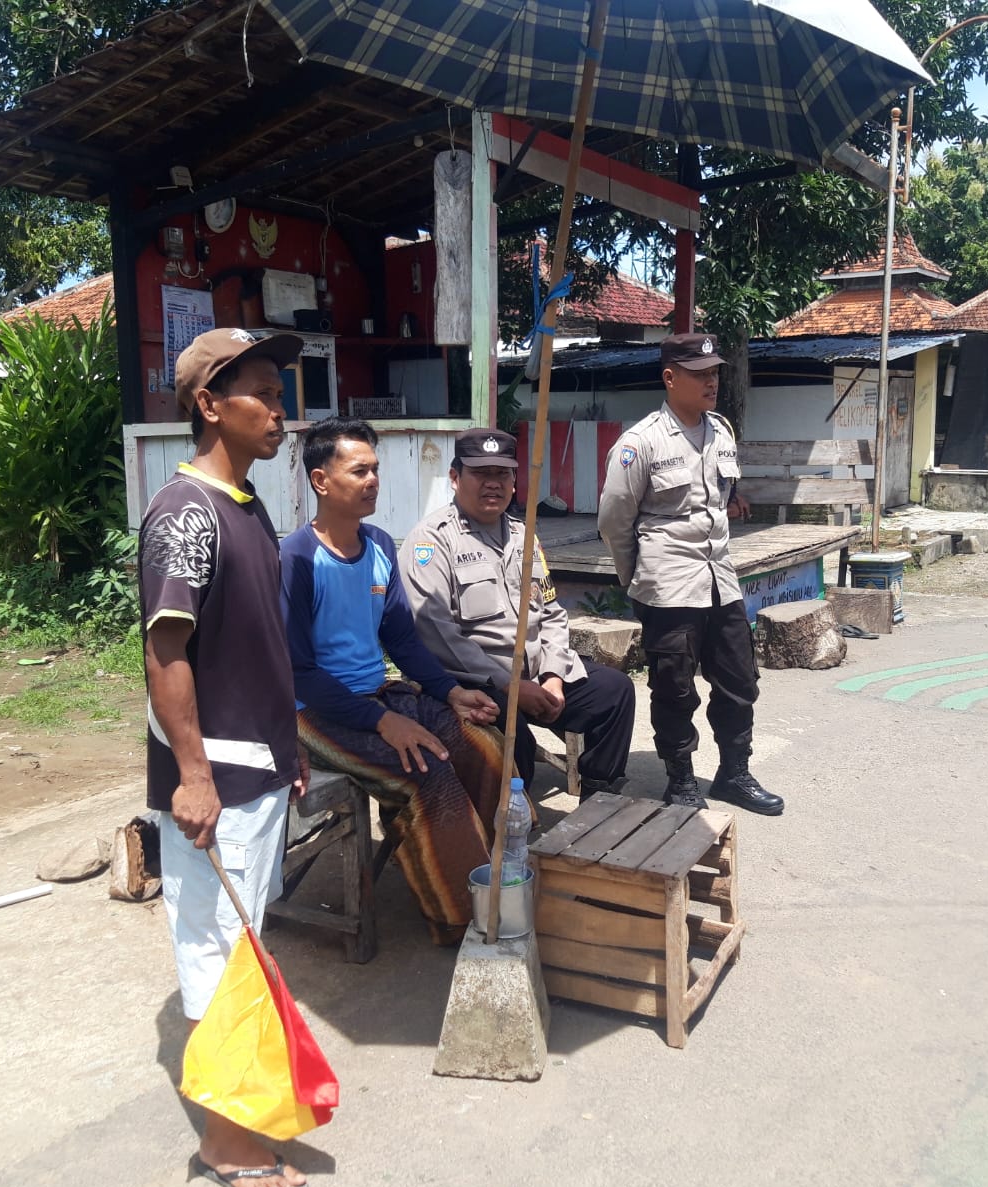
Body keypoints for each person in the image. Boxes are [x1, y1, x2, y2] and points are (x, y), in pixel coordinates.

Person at [138, 327, 312, 1187]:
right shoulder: (186, 513)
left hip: (262, 766)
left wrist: (291, 752)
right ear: (210, 404)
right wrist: (192, 775)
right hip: (219, 779)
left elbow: (256, 646)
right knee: (217, 950)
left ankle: (241, 1114)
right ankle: (228, 1144)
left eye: (280, 392)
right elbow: (167, 656)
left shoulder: (245, 504)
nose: (280, 409)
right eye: (263, 393)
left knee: (245, 941)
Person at [280, 418, 505, 945]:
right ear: (321, 481)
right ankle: (461, 919)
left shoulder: (379, 543)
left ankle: (496, 877)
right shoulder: (296, 558)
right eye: (359, 470)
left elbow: (402, 640)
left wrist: (450, 691)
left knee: (484, 747)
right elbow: (299, 672)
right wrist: (385, 723)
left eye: (376, 469)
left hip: (379, 696)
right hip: (317, 712)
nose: (373, 480)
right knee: (428, 773)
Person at [596, 331, 784, 817]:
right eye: (700, 374)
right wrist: (635, 578)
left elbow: (720, 501)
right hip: (669, 583)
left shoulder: (720, 430)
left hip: (719, 576)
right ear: (670, 377)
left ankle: (733, 773)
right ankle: (680, 780)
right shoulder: (640, 443)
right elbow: (614, 519)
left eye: (715, 372)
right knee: (675, 686)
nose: (712, 382)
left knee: (740, 679)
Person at [399, 427, 636, 799]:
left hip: (538, 673)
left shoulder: (523, 536)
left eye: (502, 474)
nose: (492, 484)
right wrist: (509, 685)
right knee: (514, 743)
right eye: (480, 474)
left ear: (514, 481)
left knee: (614, 693)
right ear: (455, 477)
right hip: (478, 680)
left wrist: (554, 676)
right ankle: (508, 828)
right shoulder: (432, 540)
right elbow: (435, 630)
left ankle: (599, 800)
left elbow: (553, 611)